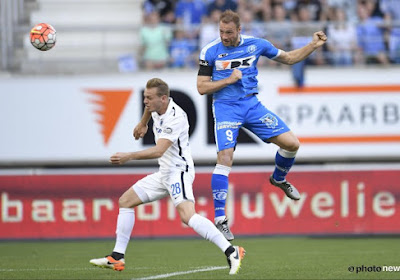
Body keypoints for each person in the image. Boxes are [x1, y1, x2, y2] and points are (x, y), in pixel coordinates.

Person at [89, 78, 245, 275]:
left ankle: (232, 251)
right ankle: (117, 257)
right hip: (164, 172)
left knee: (187, 216)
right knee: (126, 201)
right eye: (144, 97)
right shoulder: (157, 107)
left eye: (149, 98)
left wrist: (129, 156)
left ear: (163, 99)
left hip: (178, 171)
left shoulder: (176, 117)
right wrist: (143, 122)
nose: (145, 102)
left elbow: (158, 151)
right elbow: (149, 110)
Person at [197, 10, 327, 240]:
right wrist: (228, 80)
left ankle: (278, 178)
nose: (224, 36)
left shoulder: (257, 44)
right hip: (226, 107)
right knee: (225, 157)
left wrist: (313, 45)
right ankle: (220, 219)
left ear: (239, 30)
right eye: (221, 31)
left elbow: (288, 58)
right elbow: (201, 87)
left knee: (292, 144)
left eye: (228, 32)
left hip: (252, 106)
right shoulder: (210, 51)